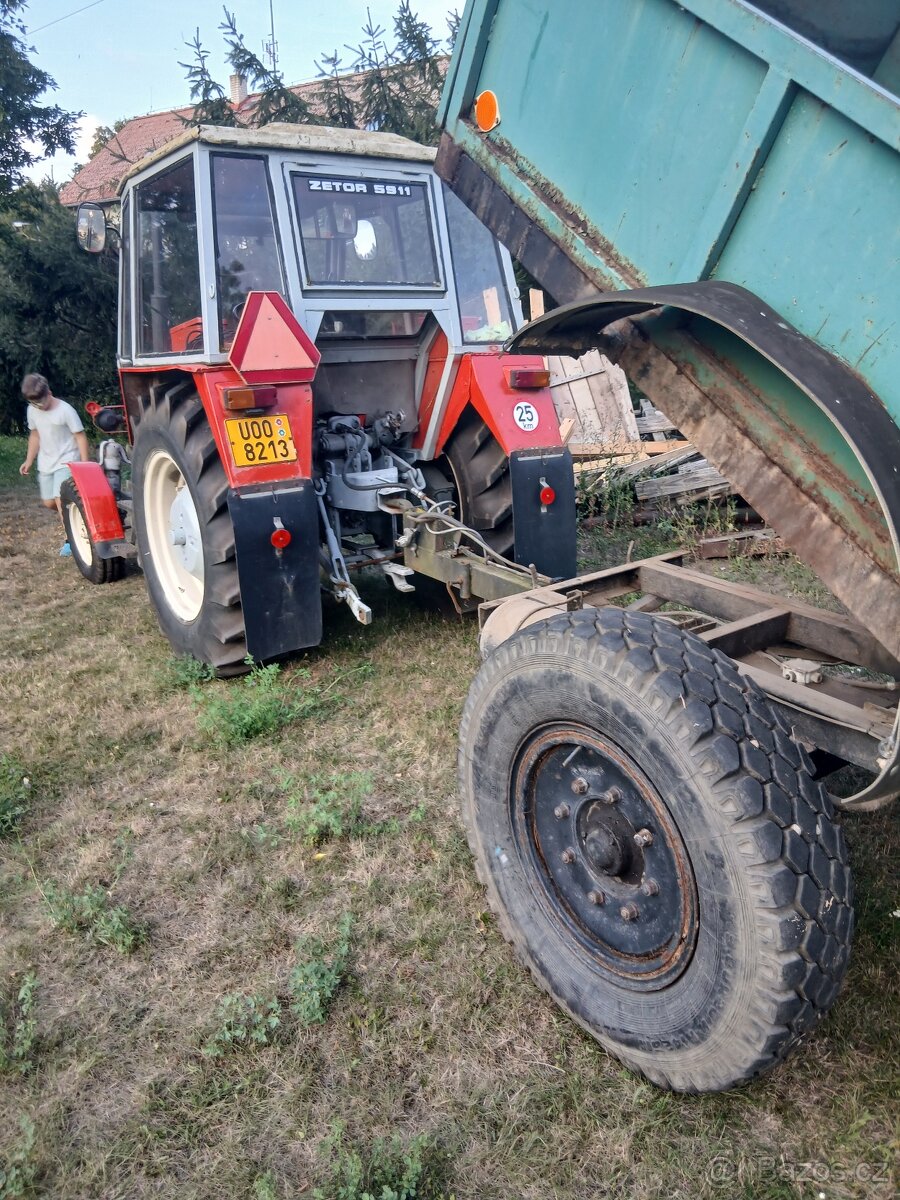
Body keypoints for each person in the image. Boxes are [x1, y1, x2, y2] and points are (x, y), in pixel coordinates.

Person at [18, 373, 90, 556]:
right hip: (46, 463)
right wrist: (29, 460)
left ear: (49, 392)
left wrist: (84, 464)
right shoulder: (32, 410)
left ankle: (71, 541)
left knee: (61, 501)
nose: (39, 407)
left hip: (67, 460)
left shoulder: (66, 410)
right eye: (35, 404)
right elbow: (35, 435)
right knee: (49, 502)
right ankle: (80, 521)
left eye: (41, 402)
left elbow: (80, 436)